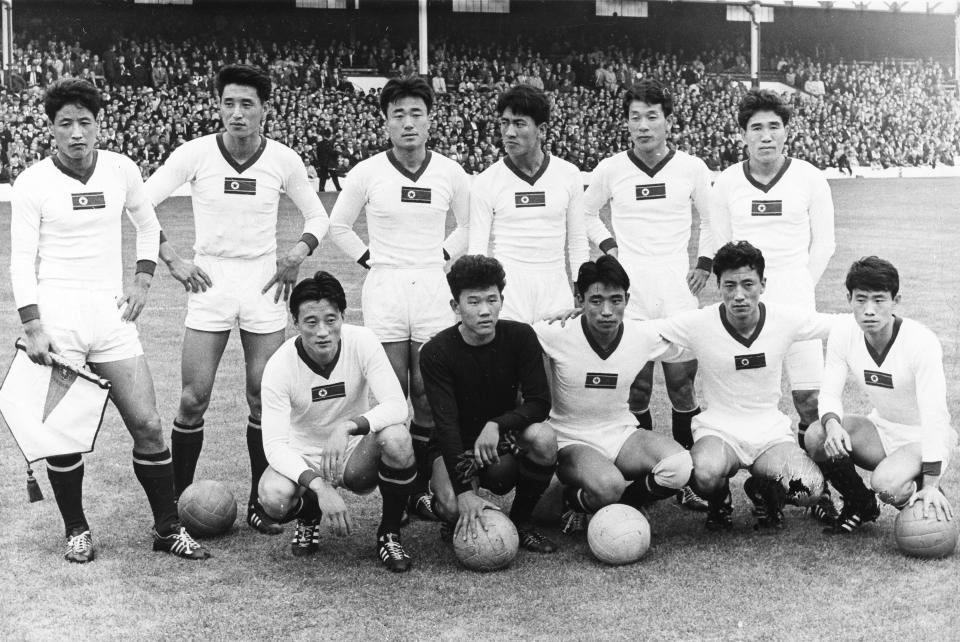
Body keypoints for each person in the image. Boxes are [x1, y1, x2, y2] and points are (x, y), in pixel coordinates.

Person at [9, 78, 209, 562]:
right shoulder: (32, 182)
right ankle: (76, 528)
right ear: (50, 128)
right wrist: (34, 325)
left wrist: (142, 280)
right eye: (65, 124)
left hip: (111, 316)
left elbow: (147, 224)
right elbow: (20, 260)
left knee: (148, 424)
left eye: (85, 122)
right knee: (64, 432)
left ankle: (166, 528)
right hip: (59, 320)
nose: (77, 133)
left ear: (99, 125)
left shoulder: (121, 169)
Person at [145, 64, 330, 535]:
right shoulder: (195, 153)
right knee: (193, 398)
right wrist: (172, 260)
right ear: (218, 106)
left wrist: (296, 253)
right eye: (228, 103)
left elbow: (317, 215)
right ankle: (177, 507)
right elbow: (139, 204)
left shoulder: (283, 159)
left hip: (263, 282)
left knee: (260, 396)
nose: (237, 112)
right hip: (210, 279)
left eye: (247, 103)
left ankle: (257, 502)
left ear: (265, 109)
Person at [328, 76, 470, 523]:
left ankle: (421, 490)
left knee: (428, 394)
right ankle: (399, 488)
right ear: (385, 121)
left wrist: (443, 255)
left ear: (431, 119)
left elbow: (471, 223)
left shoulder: (450, 171)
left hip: (432, 284)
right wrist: (371, 259)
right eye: (398, 115)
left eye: (416, 113)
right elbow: (339, 226)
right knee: (391, 395)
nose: (408, 123)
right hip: (386, 286)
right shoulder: (367, 172)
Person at [584, 80, 713, 511]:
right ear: (626, 123)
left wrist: (705, 263)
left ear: (667, 120)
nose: (642, 125)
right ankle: (642, 474)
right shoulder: (611, 169)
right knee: (635, 389)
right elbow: (584, 213)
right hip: (631, 300)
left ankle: (690, 478)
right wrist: (609, 250)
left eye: (651, 116)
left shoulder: (691, 168)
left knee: (682, 388)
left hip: (677, 294)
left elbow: (713, 219)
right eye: (635, 117)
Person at [710, 89, 837, 522]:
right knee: (741, 396)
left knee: (810, 399)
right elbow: (721, 245)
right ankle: (725, 492)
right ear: (743, 134)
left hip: (795, 303)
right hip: (744, 307)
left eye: (774, 126)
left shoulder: (809, 178)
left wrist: (799, 287)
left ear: (787, 131)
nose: (766, 136)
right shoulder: (726, 181)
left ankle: (820, 492)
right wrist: (747, 294)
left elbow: (826, 243)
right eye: (756, 127)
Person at [656, 241, 833, 532]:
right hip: (719, 429)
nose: (739, 295)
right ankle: (719, 500)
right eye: (730, 285)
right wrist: (580, 319)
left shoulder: (782, 318)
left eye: (748, 284)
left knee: (810, 489)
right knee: (704, 475)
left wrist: (887, 321)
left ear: (763, 284)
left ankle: (761, 489)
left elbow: (837, 325)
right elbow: (642, 333)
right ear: (718, 286)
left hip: (769, 432)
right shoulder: (699, 323)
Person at [256, 271, 417, 572]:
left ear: (343, 316)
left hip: (354, 453)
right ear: (295, 323)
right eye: (311, 322)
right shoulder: (279, 365)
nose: (322, 331)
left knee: (397, 437)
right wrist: (319, 486)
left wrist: (348, 426)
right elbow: (275, 446)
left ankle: (389, 533)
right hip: (305, 454)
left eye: (331, 319)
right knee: (272, 498)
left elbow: (397, 406)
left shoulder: (363, 341)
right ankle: (309, 513)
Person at [533, 256, 694, 533]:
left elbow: (696, 334)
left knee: (679, 466)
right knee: (608, 486)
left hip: (620, 435)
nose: (606, 311)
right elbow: (510, 340)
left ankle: (625, 505)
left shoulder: (641, 334)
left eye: (615, 300)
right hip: (570, 438)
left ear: (627, 300)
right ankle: (570, 495)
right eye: (595, 301)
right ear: (579, 299)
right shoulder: (554, 331)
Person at [804, 257, 957, 533]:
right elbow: (829, 392)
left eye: (879, 300)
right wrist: (832, 424)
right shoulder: (844, 332)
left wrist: (932, 483)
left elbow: (935, 415)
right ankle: (860, 503)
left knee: (886, 484)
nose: (869, 310)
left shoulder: (921, 342)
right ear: (848, 298)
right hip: (882, 428)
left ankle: (924, 489)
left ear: (896, 300)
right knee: (816, 435)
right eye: (861, 300)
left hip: (923, 436)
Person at [420, 255, 558, 553]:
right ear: (455, 307)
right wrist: (462, 492)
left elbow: (540, 402)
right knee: (452, 505)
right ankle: (453, 509)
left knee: (543, 437)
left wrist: (497, 424)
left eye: (491, 300)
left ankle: (522, 522)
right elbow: (445, 424)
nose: (485, 310)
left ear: (501, 300)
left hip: (500, 441)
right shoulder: (435, 351)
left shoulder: (520, 336)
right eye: (473, 302)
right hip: (454, 444)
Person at [468, 84, 588, 324]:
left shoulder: (568, 174)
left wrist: (581, 286)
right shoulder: (486, 181)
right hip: (508, 290)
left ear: (541, 129)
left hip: (555, 285)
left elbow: (577, 239)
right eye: (504, 122)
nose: (509, 132)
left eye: (519, 123)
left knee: (558, 360)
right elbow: (477, 249)